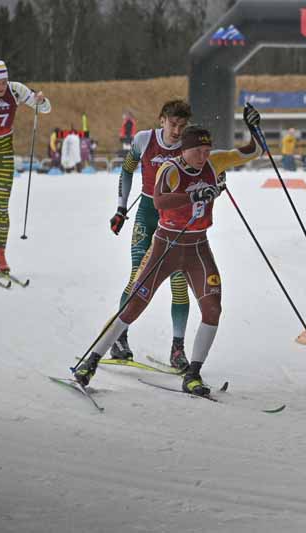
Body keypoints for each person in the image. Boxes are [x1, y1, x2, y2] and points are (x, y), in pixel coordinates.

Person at [75, 106, 264, 396]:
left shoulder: (213, 162)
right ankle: (92, 360)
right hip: (167, 244)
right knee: (134, 304)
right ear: (185, 151)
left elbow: (250, 152)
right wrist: (195, 194)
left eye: (207, 150)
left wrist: (254, 129)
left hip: (198, 247)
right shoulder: (170, 167)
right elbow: (161, 202)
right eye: (198, 151)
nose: (204, 156)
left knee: (213, 308)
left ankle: (193, 372)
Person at [107, 100, 193, 370]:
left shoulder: (188, 146)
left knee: (179, 279)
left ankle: (177, 348)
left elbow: (206, 169)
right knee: (138, 276)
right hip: (147, 212)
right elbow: (127, 169)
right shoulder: (143, 140)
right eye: (173, 124)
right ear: (161, 120)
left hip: (176, 218)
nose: (177, 131)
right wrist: (121, 208)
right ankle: (119, 338)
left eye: (182, 125)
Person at [0, 56, 51, 274]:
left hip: (5, 156)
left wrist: (40, 100)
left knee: (1, 209)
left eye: (3, 82)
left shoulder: (14, 90)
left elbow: (45, 108)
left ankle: (0, 255)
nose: (1, 87)